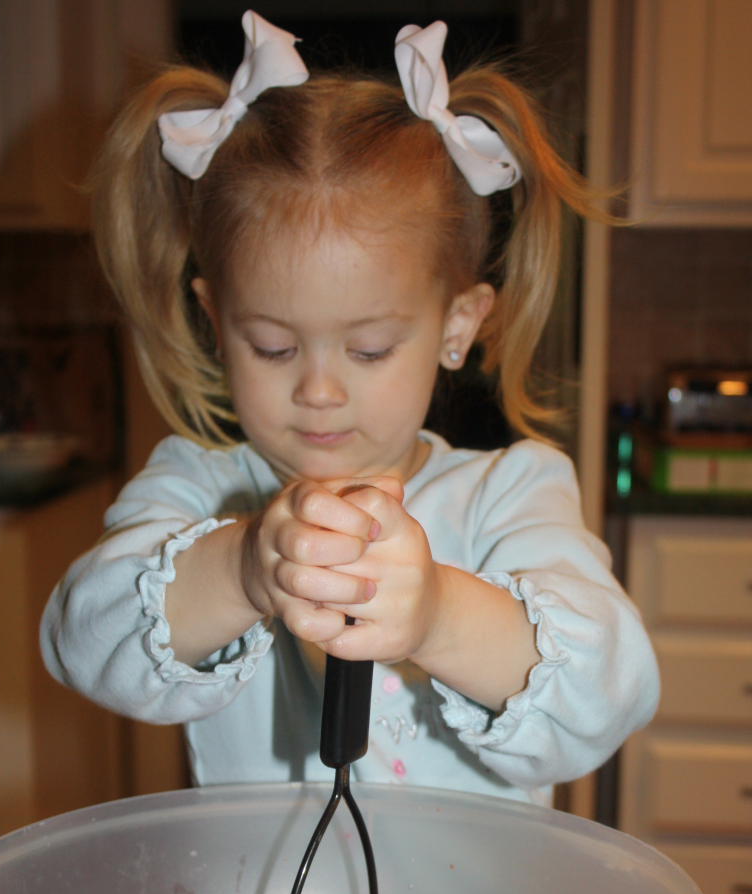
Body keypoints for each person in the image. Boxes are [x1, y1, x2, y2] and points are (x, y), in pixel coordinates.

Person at [41, 11, 659, 807]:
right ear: (215, 321)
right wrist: (241, 567)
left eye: (368, 350)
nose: (320, 391)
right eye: (271, 346)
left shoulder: (513, 492)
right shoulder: (201, 489)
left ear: (457, 326)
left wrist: (438, 614)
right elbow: (79, 640)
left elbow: (611, 696)